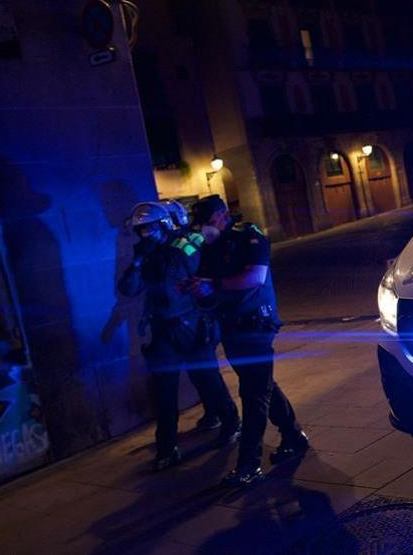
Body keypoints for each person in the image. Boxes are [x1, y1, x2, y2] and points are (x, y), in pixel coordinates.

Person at [186, 195, 308, 486]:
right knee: (263, 386)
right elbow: (205, 285)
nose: (204, 228)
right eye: (200, 223)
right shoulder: (210, 247)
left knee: (252, 394)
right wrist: (196, 289)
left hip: (256, 326)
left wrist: (212, 285)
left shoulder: (249, 236)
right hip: (230, 327)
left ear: (222, 215)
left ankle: (248, 464)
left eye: (207, 221)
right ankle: (293, 435)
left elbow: (254, 277)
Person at [119, 201, 240, 471]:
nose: (145, 233)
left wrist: (167, 255)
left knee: (207, 380)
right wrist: (138, 261)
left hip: (192, 325)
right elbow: (129, 288)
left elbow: (200, 267)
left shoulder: (184, 244)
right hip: (163, 330)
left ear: (163, 224)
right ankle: (167, 448)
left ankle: (231, 424)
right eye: (141, 229)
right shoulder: (145, 254)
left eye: (149, 227)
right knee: (164, 391)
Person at [161, 199, 233, 432]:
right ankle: (214, 413)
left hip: (196, 319)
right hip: (182, 320)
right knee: (198, 373)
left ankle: (229, 420)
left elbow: (202, 278)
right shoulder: (168, 247)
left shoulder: (187, 244)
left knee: (208, 374)